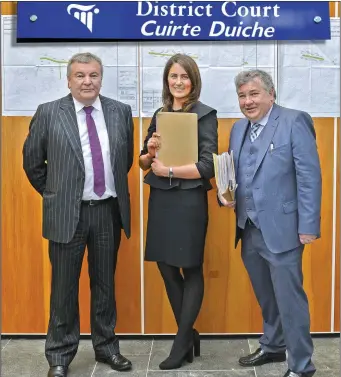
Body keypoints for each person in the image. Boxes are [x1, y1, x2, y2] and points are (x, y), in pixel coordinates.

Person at [23, 52, 134, 377]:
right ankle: (59, 355)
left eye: (94, 75)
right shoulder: (48, 113)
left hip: (107, 213)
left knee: (105, 285)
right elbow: (32, 163)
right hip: (66, 215)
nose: (88, 81)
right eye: (81, 76)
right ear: (69, 79)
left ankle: (107, 347)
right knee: (63, 288)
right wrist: (58, 194)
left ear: (101, 78)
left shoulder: (119, 112)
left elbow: (122, 161)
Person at [219, 69, 321, 377]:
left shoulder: (294, 121)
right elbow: (233, 174)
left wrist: (308, 226)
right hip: (248, 229)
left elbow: (309, 178)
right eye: (242, 96)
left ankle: (302, 366)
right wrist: (227, 196)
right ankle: (274, 345)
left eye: (253, 94)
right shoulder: (237, 128)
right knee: (266, 295)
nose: (247, 101)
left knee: (290, 301)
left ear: (271, 95)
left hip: (284, 230)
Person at [139, 54, 218, 370]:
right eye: (173, 76)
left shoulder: (205, 114)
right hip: (161, 197)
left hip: (188, 199)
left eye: (185, 76)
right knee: (165, 264)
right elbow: (144, 161)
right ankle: (189, 335)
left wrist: (170, 169)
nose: (179, 82)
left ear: (194, 81)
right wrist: (151, 153)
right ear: (166, 80)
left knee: (190, 266)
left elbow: (207, 166)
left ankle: (181, 341)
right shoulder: (160, 113)